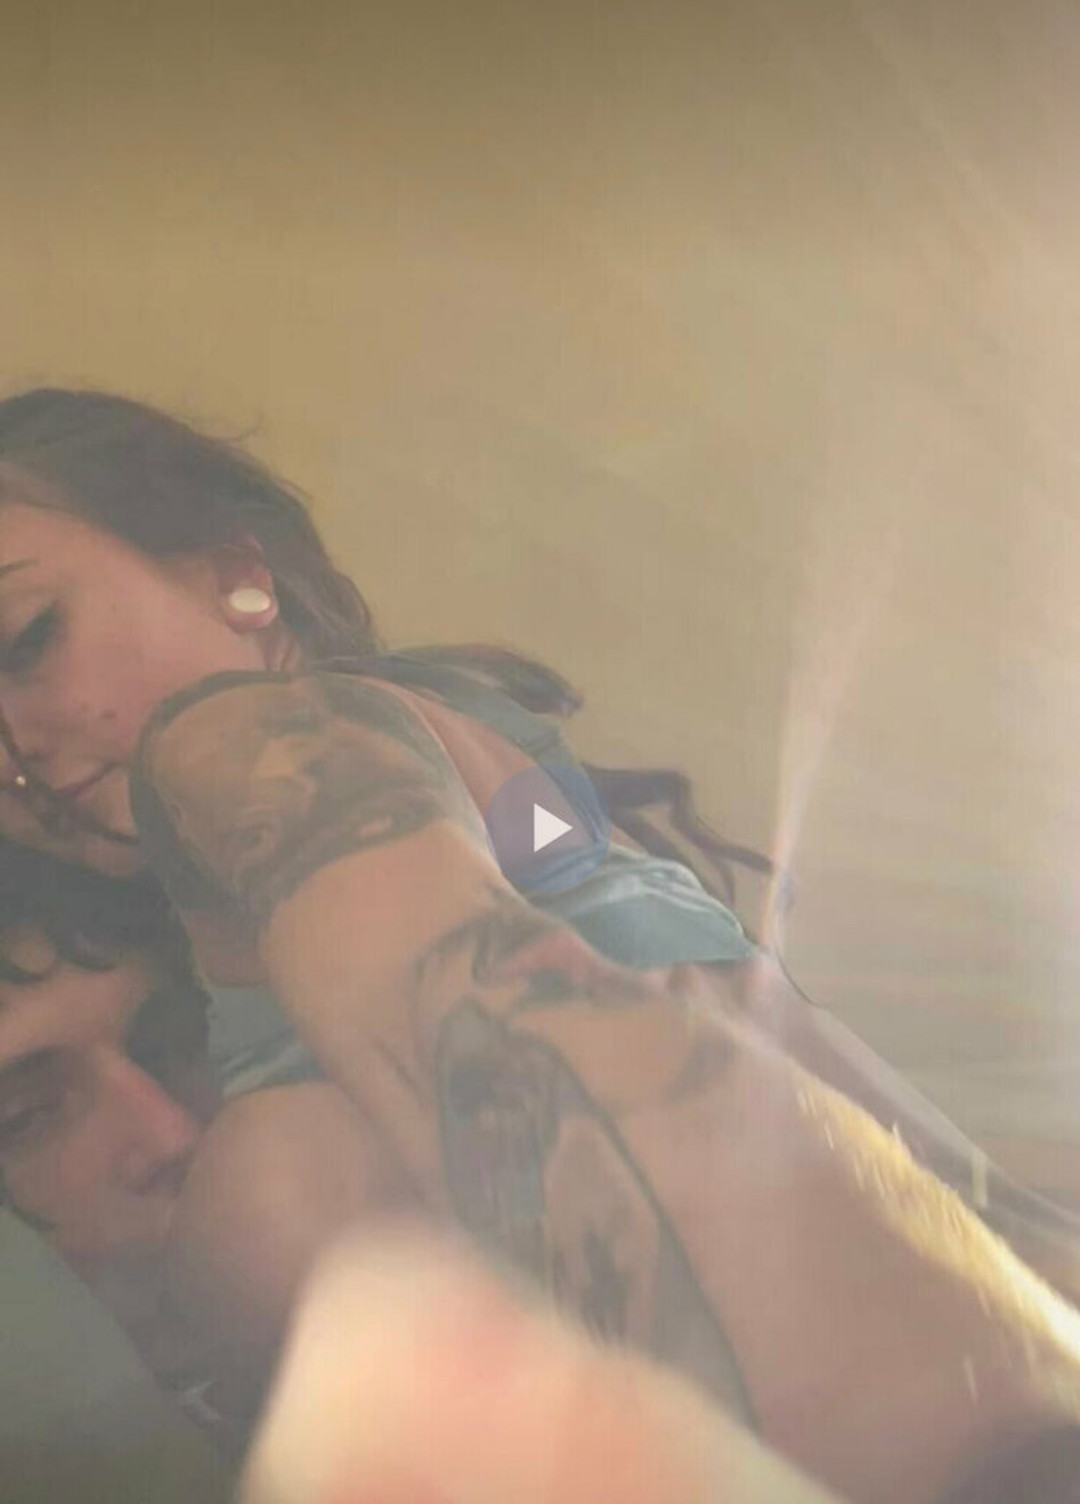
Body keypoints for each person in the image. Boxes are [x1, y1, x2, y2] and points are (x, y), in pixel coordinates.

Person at [0, 387, 1079, 1502]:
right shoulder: (456, 785)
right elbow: (569, 867)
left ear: (235, 577)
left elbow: (455, 966)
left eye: (28, 642)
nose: (16, 751)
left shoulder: (236, 739)